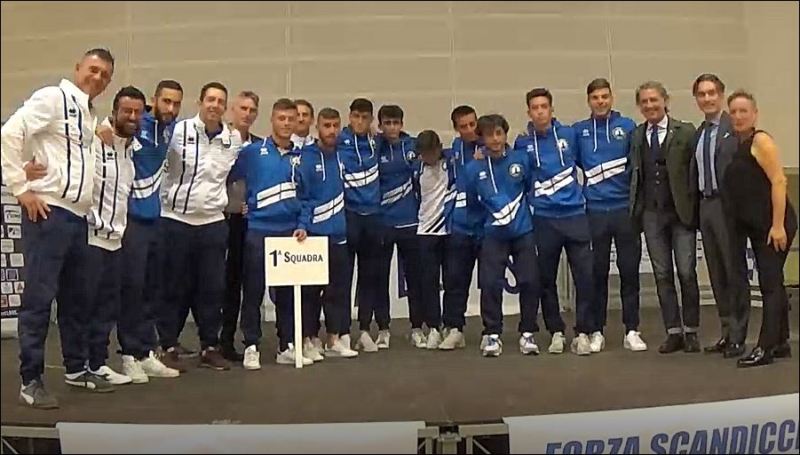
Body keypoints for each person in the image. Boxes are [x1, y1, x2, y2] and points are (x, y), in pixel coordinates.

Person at [1, 48, 114, 409]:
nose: (97, 77)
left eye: (105, 75)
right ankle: (30, 380)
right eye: (93, 69)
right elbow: (10, 134)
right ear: (77, 68)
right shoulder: (53, 97)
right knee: (38, 300)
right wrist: (20, 188)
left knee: (76, 301)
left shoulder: (88, 115)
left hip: (78, 218)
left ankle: (76, 369)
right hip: (49, 214)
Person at [57, 86, 146, 389]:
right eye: (127, 111)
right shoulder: (93, 139)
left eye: (137, 112)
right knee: (79, 306)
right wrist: (95, 130)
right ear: (115, 111)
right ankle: (75, 368)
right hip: (88, 237)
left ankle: (97, 363)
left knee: (106, 309)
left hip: (115, 240)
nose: (132, 116)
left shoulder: (131, 149)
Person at [158, 82, 243, 371]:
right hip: (176, 220)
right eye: (210, 99)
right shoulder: (177, 131)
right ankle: (167, 345)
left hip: (213, 223)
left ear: (225, 107)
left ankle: (210, 346)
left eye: (220, 101)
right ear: (200, 102)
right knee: (174, 286)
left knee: (212, 289)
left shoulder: (233, 139)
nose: (215, 105)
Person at [107, 80, 185, 377]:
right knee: (132, 290)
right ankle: (128, 354)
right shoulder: (138, 123)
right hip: (131, 221)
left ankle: (145, 352)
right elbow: (108, 128)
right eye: (166, 101)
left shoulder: (169, 128)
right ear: (155, 100)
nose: (171, 108)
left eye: (176, 103)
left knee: (153, 290)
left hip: (156, 220)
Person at [233, 98, 312, 368]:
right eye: (281, 118)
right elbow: (227, 177)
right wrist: (237, 205)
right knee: (253, 292)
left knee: (287, 295)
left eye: (291, 119)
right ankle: (251, 345)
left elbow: (307, 197)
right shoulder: (252, 152)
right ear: (272, 120)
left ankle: (286, 345)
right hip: (258, 231)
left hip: (289, 234)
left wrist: (302, 224)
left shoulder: (302, 157)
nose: (286, 123)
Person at [515, 88, 595, 356]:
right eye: (535, 108)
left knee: (584, 277)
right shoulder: (522, 143)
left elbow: (587, 163)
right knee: (545, 279)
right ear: (529, 112)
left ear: (551, 109)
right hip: (544, 219)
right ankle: (556, 332)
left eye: (544, 107)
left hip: (575, 216)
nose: (540, 112)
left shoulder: (569, 135)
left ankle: (583, 332)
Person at [722, 90, 797, 368]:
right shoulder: (739, 144)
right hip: (757, 226)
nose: (738, 116)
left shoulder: (761, 141)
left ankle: (765, 347)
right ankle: (781, 342)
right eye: (734, 112)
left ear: (755, 114)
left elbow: (779, 181)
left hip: (774, 225)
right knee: (774, 281)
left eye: (744, 111)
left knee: (770, 284)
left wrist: (777, 226)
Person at [572, 78, 647, 352]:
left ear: (612, 98)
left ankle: (632, 330)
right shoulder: (579, 131)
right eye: (595, 97)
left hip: (624, 211)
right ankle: (597, 331)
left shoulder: (627, 126)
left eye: (605, 96)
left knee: (629, 272)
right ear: (588, 101)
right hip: (594, 212)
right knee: (596, 274)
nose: (600, 101)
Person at [629, 81, 700, 354]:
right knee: (662, 274)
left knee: (686, 271)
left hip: (680, 213)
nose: (650, 105)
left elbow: (694, 170)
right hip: (651, 214)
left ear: (665, 101)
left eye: (654, 100)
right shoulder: (637, 135)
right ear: (640, 106)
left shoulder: (685, 131)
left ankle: (691, 329)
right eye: (644, 102)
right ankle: (673, 331)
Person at [466, 114, 540, 357]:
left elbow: (529, 189)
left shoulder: (521, 159)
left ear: (505, 134)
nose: (495, 139)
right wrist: (484, 229)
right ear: (482, 138)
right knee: (490, 284)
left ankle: (527, 332)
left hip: (522, 232)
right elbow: (472, 205)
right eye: (489, 135)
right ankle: (492, 334)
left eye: (499, 133)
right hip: (492, 235)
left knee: (530, 281)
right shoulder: (473, 168)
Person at [690, 74, 749, 359]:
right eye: (702, 94)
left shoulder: (733, 128)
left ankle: (739, 334)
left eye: (712, 93)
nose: (707, 98)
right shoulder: (700, 133)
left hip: (728, 207)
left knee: (734, 271)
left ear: (721, 95)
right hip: (706, 206)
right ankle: (726, 330)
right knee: (716, 273)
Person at [296, 108, 359, 359]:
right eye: (326, 126)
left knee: (337, 291)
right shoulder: (306, 157)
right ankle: (308, 339)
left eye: (335, 126)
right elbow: (302, 197)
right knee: (310, 293)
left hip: (339, 235)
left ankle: (334, 339)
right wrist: (303, 225)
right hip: (313, 236)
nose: (331, 131)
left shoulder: (343, 154)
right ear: (317, 128)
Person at [375, 104, 423, 349]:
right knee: (380, 278)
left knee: (415, 279)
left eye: (396, 123)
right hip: (383, 223)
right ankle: (383, 329)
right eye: (387, 123)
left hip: (410, 222)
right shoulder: (374, 147)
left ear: (402, 124)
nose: (392, 127)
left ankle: (417, 328)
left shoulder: (413, 146)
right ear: (380, 125)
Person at [338, 98, 383, 352]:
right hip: (349, 216)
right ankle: (342, 332)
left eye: (365, 118)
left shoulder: (377, 142)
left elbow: (403, 140)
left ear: (371, 120)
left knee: (369, 277)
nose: (360, 122)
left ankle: (364, 329)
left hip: (373, 217)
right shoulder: (339, 141)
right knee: (343, 278)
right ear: (350, 117)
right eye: (356, 116)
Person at [221, 91, 262, 362]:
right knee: (226, 284)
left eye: (252, 110)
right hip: (224, 218)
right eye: (243, 108)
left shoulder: (259, 146)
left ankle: (248, 340)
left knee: (249, 282)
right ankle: (221, 340)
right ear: (233, 110)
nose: (247, 114)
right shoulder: (221, 141)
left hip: (251, 222)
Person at [439, 106, 483, 350]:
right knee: (455, 280)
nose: (469, 130)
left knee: (489, 282)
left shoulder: (489, 147)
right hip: (460, 226)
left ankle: (491, 331)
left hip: (485, 226)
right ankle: (454, 328)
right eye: (463, 126)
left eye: (472, 124)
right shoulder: (455, 148)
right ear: (456, 128)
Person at [412, 130, 455, 349]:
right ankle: (433, 327)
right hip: (426, 232)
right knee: (428, 283)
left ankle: (450, 325)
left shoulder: (451, 162)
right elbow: (415, 195)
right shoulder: (416, 169)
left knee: (451, 280)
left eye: (431, 153)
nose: (428, 157)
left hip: (449, 231)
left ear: (439, 149)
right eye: (424, 154)